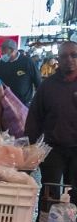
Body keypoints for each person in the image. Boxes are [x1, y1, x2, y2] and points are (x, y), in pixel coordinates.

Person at [26, 41, 77, 199]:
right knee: (50, 192)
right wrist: (30, 148)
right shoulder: (47, 86)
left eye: (74, 55)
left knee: (75, 192)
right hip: (53, 148)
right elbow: (34, 117)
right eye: (64, 56)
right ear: (58, 59)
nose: (69, 59)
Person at [0, 39, 41, 104]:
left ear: (13, 50)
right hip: (5, 102)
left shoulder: (27, 62)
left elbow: (38, 81)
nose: (1, 52)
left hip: (23, 103)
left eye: (4, 50)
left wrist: (38, 101)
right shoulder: (0, 64)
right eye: (1, 49)